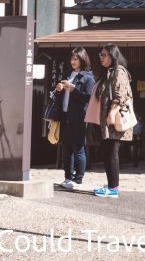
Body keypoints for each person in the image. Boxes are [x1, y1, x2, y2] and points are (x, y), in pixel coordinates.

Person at [93, 43, 134, 198]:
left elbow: (120, 95)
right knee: (108, 152)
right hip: (107, 119)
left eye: (104, 55)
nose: (101, 58)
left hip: (113, 118)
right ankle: (111, 185)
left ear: (113, 55)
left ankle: (113, 188)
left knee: (112, 152)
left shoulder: (118, 71)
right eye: (100, 55)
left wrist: (112, 112)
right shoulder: (109, 72)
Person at [56, 47, 96, 189]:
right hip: (65, 113)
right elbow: (61, 95)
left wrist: (74, 90)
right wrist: (60, 88)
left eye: (76, 58)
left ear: (82, 59)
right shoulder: (67, 73)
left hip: (79, 116)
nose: (73, 61)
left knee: (78, 147)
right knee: (66, 147)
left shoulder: (88, 77)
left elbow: (89, 98)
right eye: (72, 58)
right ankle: (67, 177)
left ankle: (78, 179)